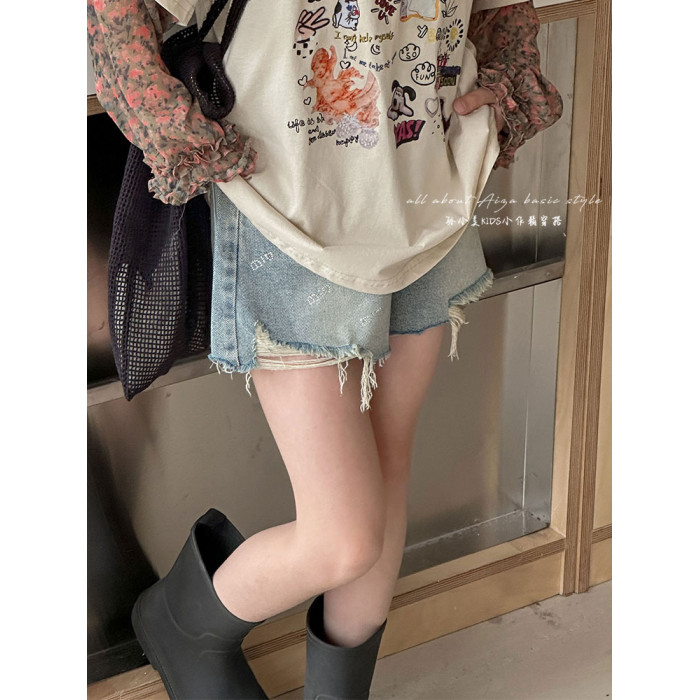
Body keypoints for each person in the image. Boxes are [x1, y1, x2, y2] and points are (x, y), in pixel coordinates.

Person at [87, 1, 563, 698]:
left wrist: (509, 59)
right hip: (286, 197)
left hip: (430, 181)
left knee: (387, 472)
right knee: (343, 536)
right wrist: (161, 112)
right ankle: (182, 623)